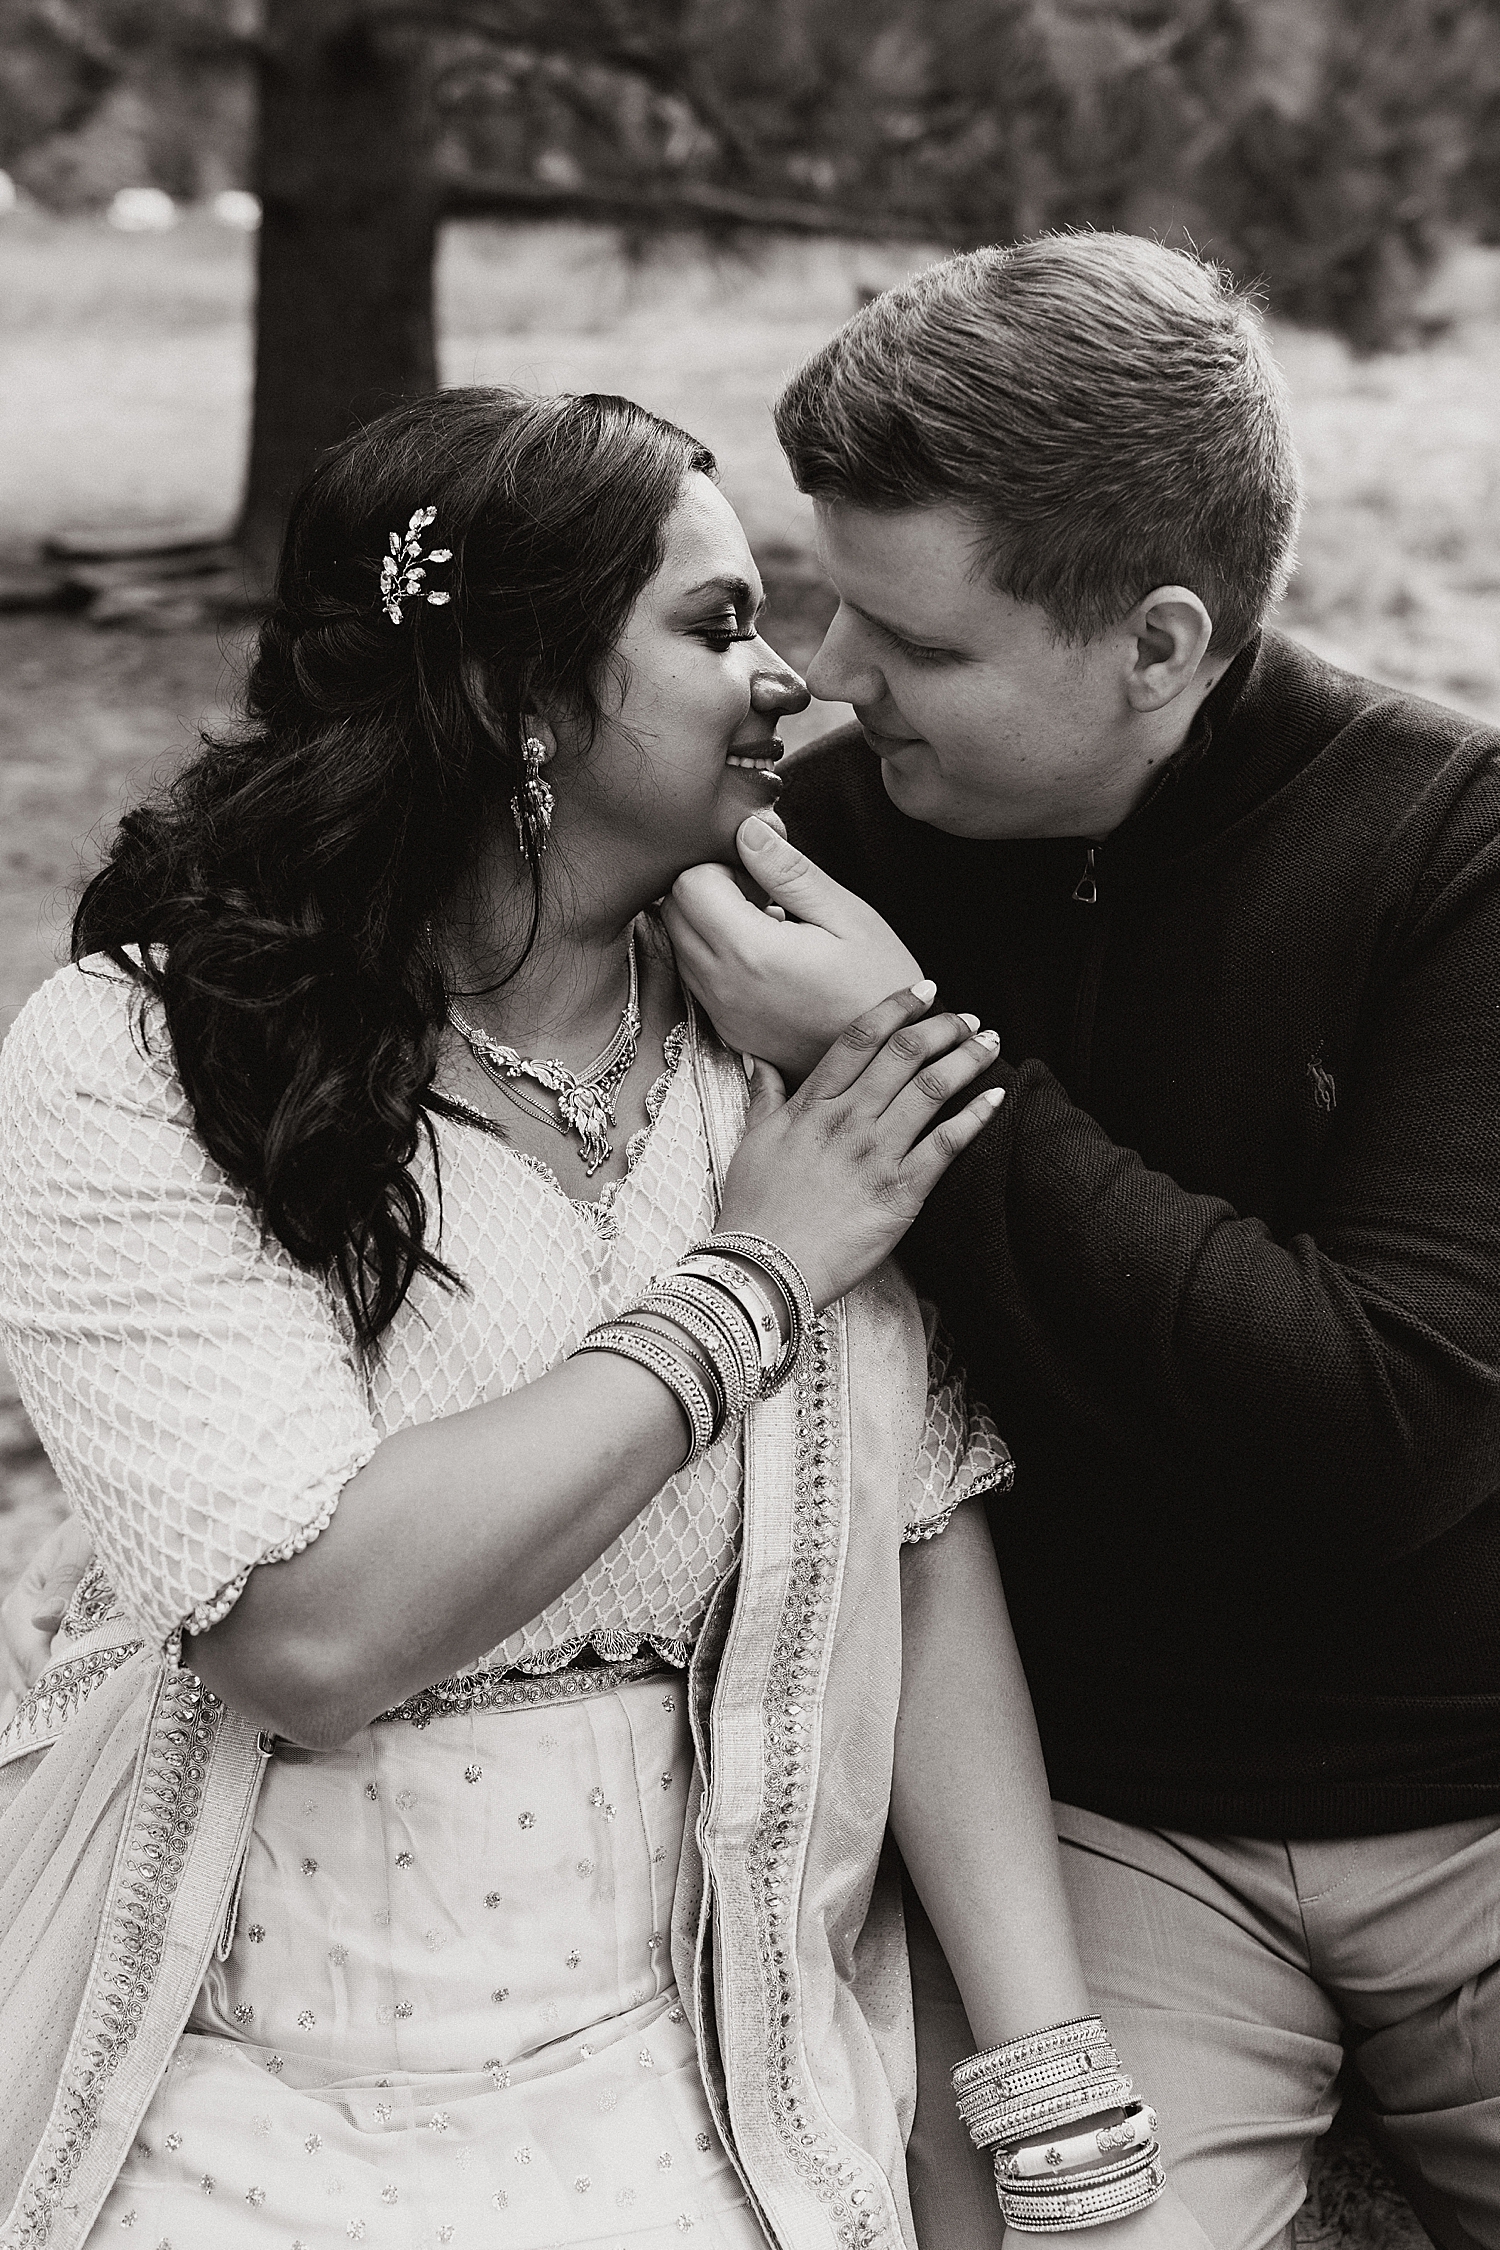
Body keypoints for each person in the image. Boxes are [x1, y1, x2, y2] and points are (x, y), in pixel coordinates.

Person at [0, 388, 1189, 2249]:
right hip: (253, 2056)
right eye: (716, 627)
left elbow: (923, 1542)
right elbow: (305, 1634)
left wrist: (1057, 2118)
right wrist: (749, 1284)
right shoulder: (142, 1063)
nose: (791, 679)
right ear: (518, 700)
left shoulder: (768, 1049)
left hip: (713, 2045)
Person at [664, 233, 1500, 2250]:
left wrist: (906, 1063)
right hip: (1106, 1829)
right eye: (827, 607)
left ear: (1160, 640)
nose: (835, 687)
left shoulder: (1450, 843)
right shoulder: (827, 864)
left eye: (920, 648)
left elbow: (1376, 1423)